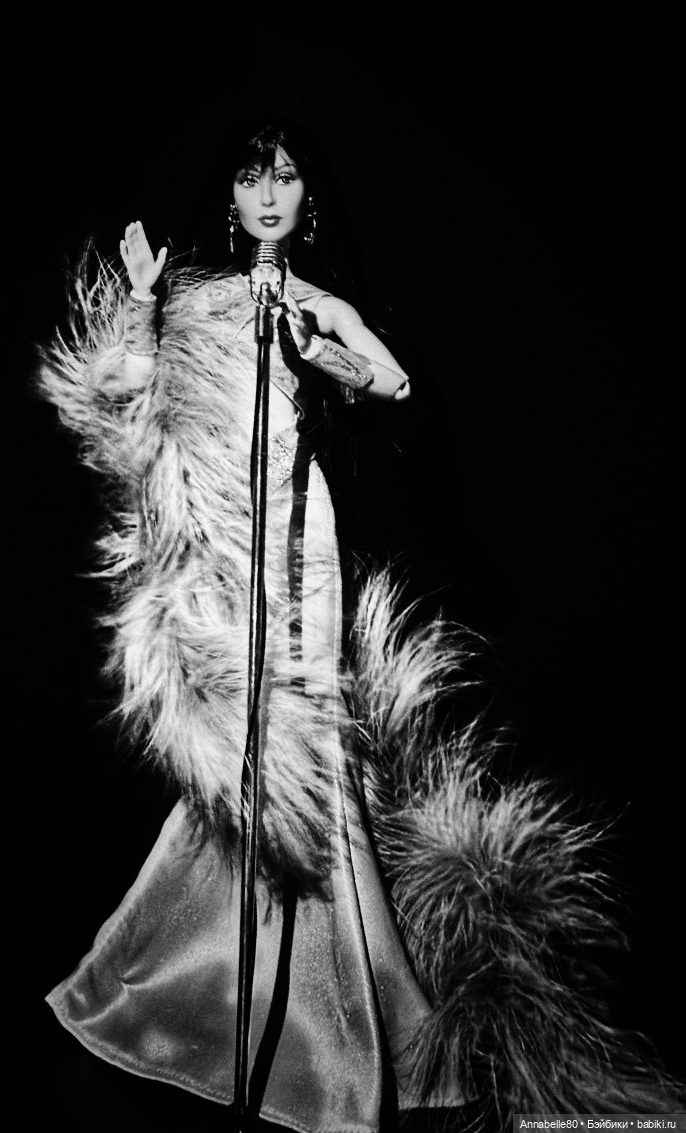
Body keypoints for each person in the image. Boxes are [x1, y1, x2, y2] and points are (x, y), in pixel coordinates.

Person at [40, 122, 682, 1130]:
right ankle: (189, 968)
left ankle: (335, 1001)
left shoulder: (315, 302)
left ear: (307, 200)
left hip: (304, 537)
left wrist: (320, 349)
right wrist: (141, 300)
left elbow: (395, 382)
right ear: (230, 198)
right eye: (252, 177)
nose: (268, 194)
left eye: (286, 178)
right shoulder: (200, 298)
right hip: (227, 540)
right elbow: (122, 395)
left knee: (311, 746)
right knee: (236, 745)